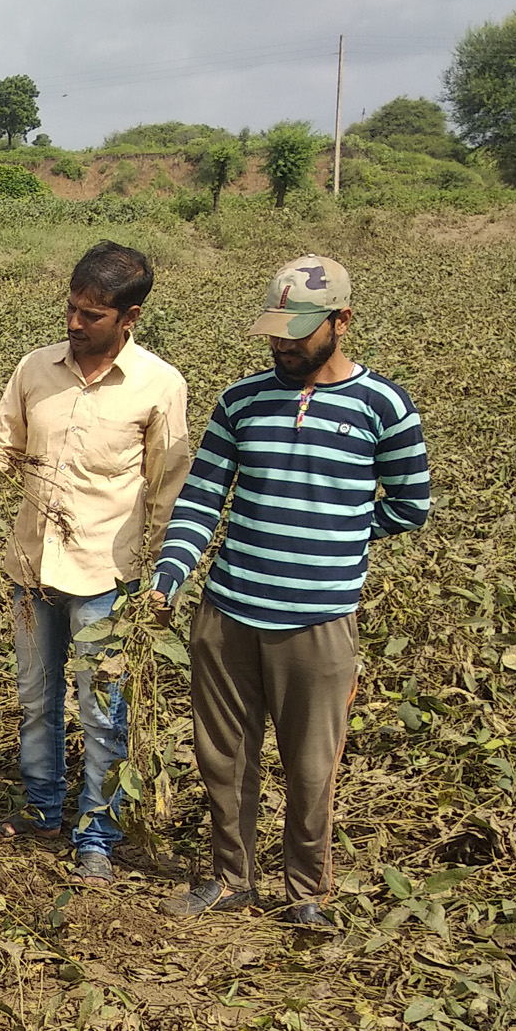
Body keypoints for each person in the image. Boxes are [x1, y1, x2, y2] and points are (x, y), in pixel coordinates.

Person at [149, 254, 430, 929]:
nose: (280, 344)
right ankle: (230, 878)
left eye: (297, 333)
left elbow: (411, 504)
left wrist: (340, 535)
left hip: (319, 623)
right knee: (224, 757)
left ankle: (306, 891)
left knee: (310, 768)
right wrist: (171, 576)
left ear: (341, 322)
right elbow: (203, 498)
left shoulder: (381, 405)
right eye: (275, 330)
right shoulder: (242, 401)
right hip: (229, 613)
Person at [0, 241, 191, 884]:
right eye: (71, 308)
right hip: (31, 569)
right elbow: (2, 455)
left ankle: (97, 830)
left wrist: (160, 580)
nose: (75, 324)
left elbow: (167, 489)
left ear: (130, 318)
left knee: (101, 708)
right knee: (36, 697)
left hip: (107, 575)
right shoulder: (34, 370)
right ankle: (44, 806)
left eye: (93, 315)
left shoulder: (159, 386)